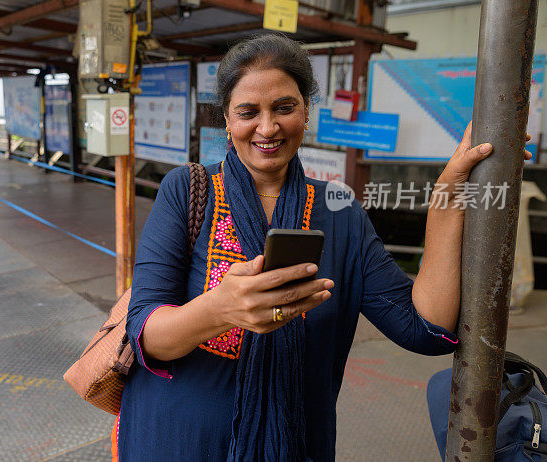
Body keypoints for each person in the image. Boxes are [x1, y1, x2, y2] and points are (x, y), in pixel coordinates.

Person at [118, 33, 532, 461]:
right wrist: (220, 308)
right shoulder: (185, 190)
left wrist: (448, 192)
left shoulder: (339, 212)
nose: (267, 127)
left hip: (297, 447)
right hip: (177, 444)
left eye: (284, 107)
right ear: (226, 118)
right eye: (248, 112)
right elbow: (147, 335)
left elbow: (425, 328)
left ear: (306, 110)